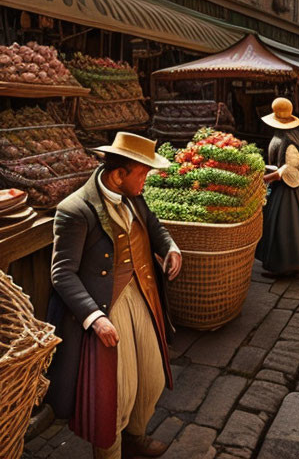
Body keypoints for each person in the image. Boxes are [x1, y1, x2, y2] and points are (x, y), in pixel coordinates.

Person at [47, 132, 182, 459]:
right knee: (115, 396)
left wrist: (170, 248)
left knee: (151, 378)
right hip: (105, 305)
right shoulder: (75, 210)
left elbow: (153, 225)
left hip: (142, 294)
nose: (146, 181)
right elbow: (61, 273)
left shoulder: (134, 195)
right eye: (143, 173)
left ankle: (136, 438)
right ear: (119, 174)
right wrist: (95, 318)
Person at [256, 97, 299, 275]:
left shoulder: (288, 141)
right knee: (288, 227)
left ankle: (283, 267)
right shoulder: (284, 135)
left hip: (287, 190)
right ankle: (291, 263)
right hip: (285, 189)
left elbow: (287, 170)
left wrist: (265, 179)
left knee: (283, 227)